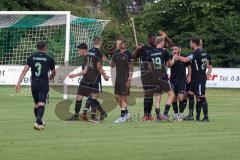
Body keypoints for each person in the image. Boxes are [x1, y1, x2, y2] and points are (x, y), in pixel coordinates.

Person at [16, 41, 56, 130]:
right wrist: (50, 78)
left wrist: (18, 82)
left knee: (36, 104)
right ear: (45, 47)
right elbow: (54, 73)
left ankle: (40, 121)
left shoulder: (31, 58)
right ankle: (38, 122)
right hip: (43, 83)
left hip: (34, 83)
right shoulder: (49, 58)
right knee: (42, 103)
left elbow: (24, 70)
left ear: (37, 48)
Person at [69, 42, 109, 123]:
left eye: (79, 51)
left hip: (92, 80)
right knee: (79, 97)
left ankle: (98, 114)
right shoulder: (87, 57)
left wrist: (74, 75)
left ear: (84, 50)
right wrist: (104, 75)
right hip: (85, 80)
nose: (78, 52)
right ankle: (77, 115)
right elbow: (97, 66)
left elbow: (85, 70)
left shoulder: (88, 57)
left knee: (92, 98)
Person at [174, 37, 212, 122]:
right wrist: (207, 75)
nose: (190, 45)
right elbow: (209, 67)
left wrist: (177, 56)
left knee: (201, 97)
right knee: (189, 93)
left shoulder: (195, 53)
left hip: (199, 78)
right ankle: (194, 116)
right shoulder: (205, 53)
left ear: (194, 43)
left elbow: (185, 60)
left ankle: (205, 117)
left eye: (190, 43)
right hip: (196, 77)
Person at [147, 36, 175, 121]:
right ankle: (165, 114)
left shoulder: (150, 52)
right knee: (171, 94)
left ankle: (158, 116)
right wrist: (174, 58)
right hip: (163, 75)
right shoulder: (164, 51)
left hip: (154, 76)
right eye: (163, 42)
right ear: (161, 42)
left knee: (158, 96)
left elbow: (149, 66)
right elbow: (170, 64)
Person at [109, 39, 133, 123]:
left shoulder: (128, 54)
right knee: (117, 97)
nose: (118, 44)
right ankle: (126, 113)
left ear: (124, 44)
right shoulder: (116, 54)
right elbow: (112, 65)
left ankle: (122, 117)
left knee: (123, 97)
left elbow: (131, 67)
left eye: (119, 43)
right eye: (117, 43)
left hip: (125, 78)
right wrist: (109, 60)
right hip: (118, 78)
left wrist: (129, 79)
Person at [170, 44, 191, 121]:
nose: (174, 51)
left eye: (175, 49)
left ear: (180, 49)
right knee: (173, 98)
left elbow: (189, 66)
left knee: (181, 98)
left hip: (182, 80)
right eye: (173, 49)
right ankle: (176, 114)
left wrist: (189, 76)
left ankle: (181, 113)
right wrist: (173, 59)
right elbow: (168, 65)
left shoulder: (184, 56)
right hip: (172, 80)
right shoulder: (170, 57)